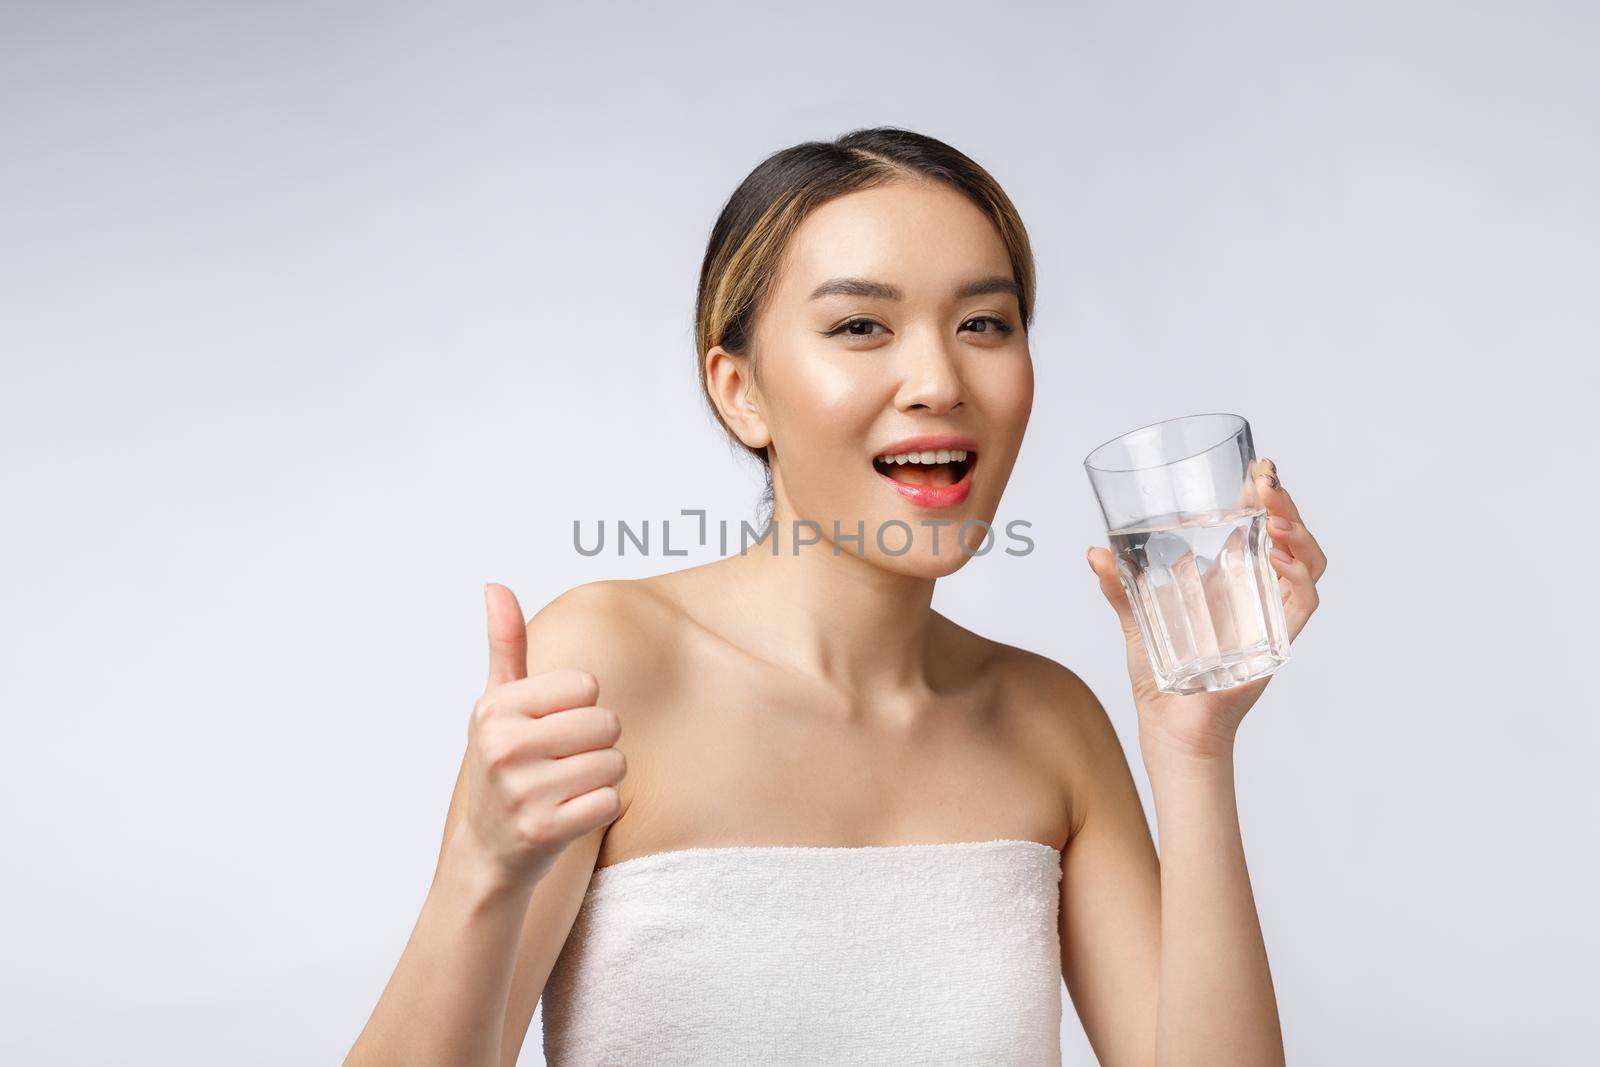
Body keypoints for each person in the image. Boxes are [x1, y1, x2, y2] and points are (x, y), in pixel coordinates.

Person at [346, 127, 1326, 1066]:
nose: (938, 379)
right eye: (861, 325)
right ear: (740, 390)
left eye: (983, 322)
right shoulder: (610, 666)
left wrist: (1193, 749)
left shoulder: (1047, 722)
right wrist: (475, 875)